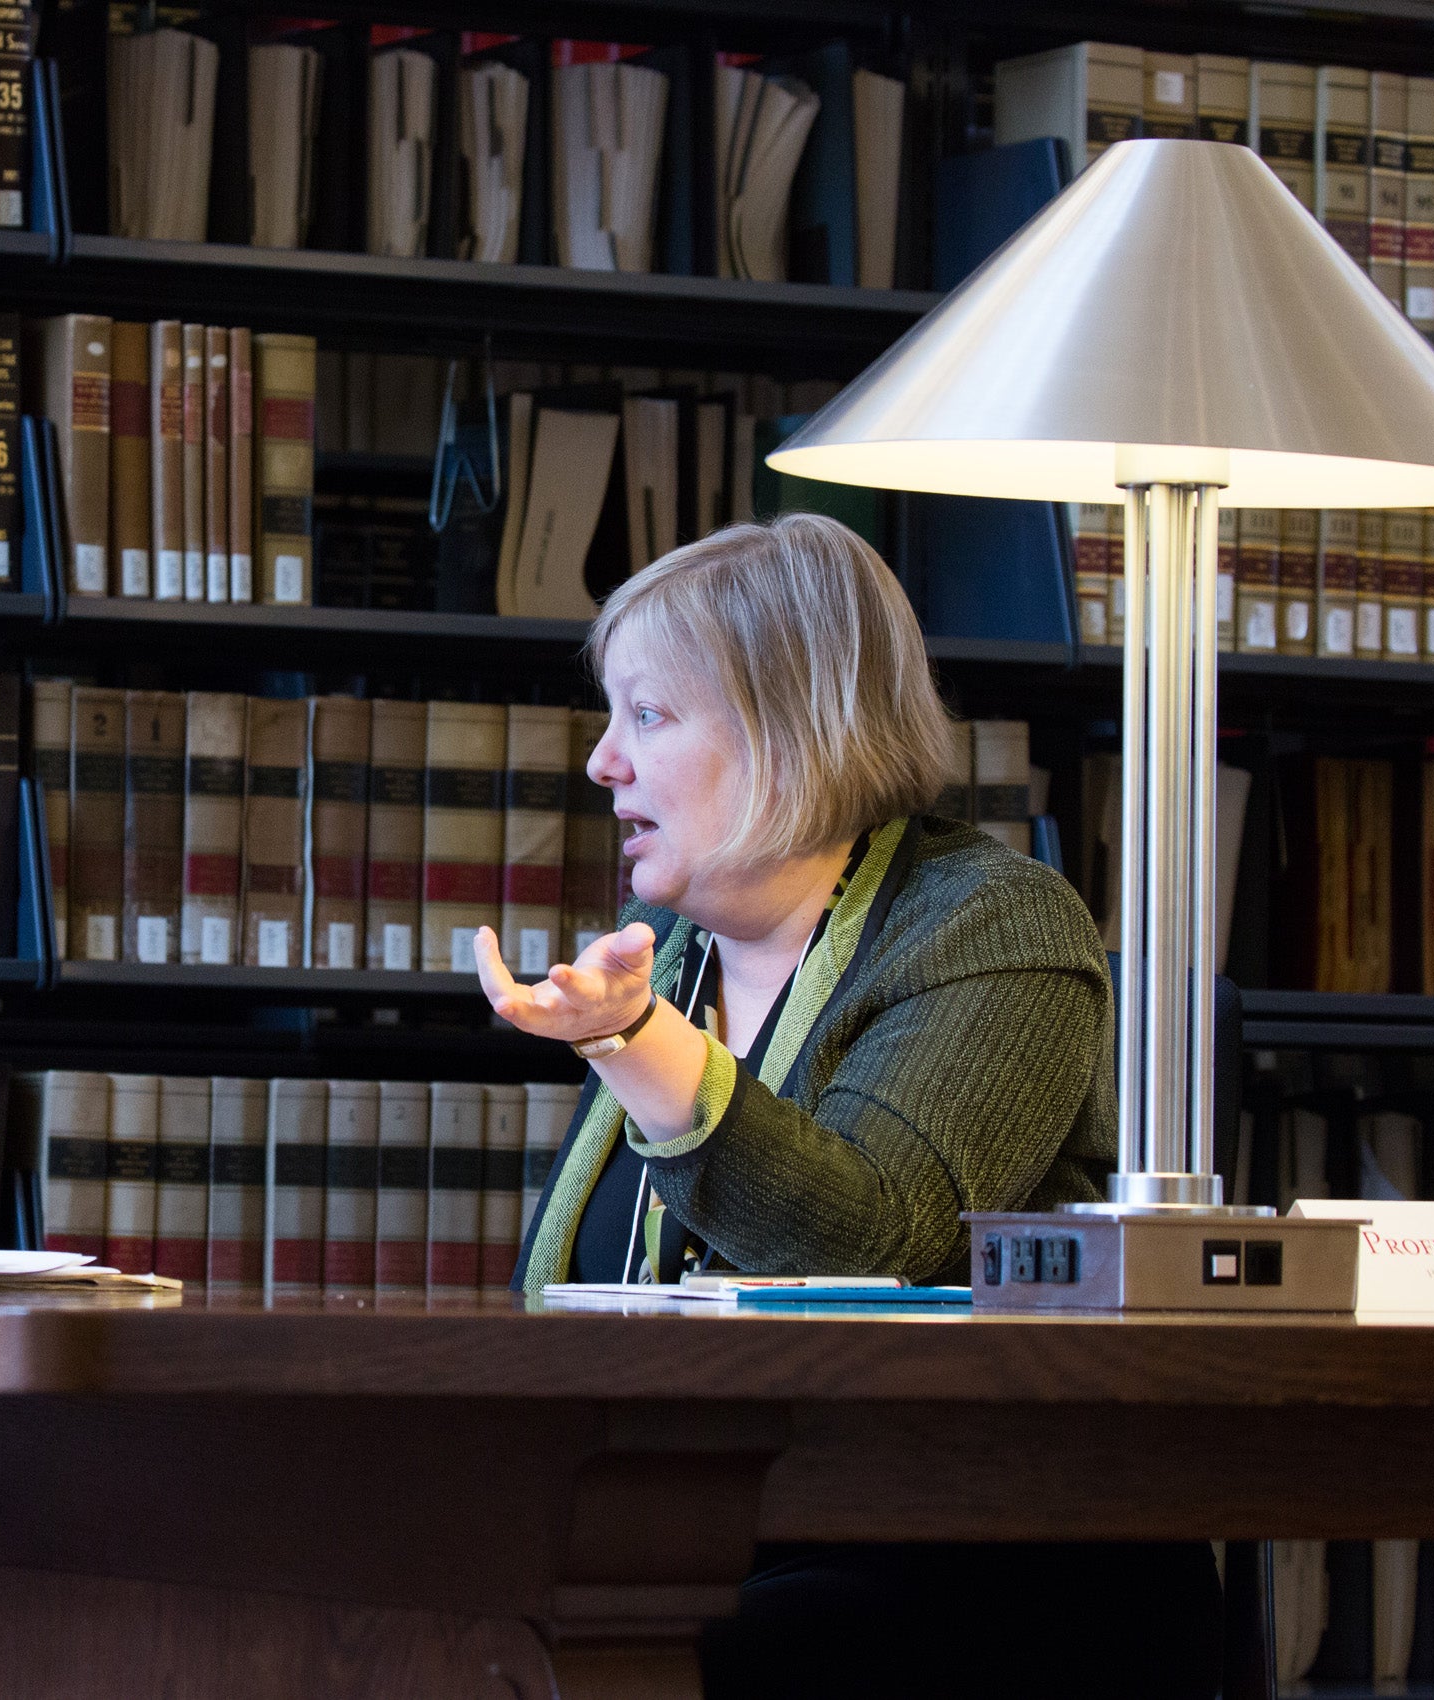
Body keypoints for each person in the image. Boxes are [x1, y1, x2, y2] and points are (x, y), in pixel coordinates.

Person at [482, 514, 1221, 1699]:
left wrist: (638, 1043)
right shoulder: (670, 957)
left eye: (650, 716)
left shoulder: (990, 921)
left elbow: (871, 1237)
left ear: (791, 730)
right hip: (691, 1537)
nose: (601, 761)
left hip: (958, 1571)